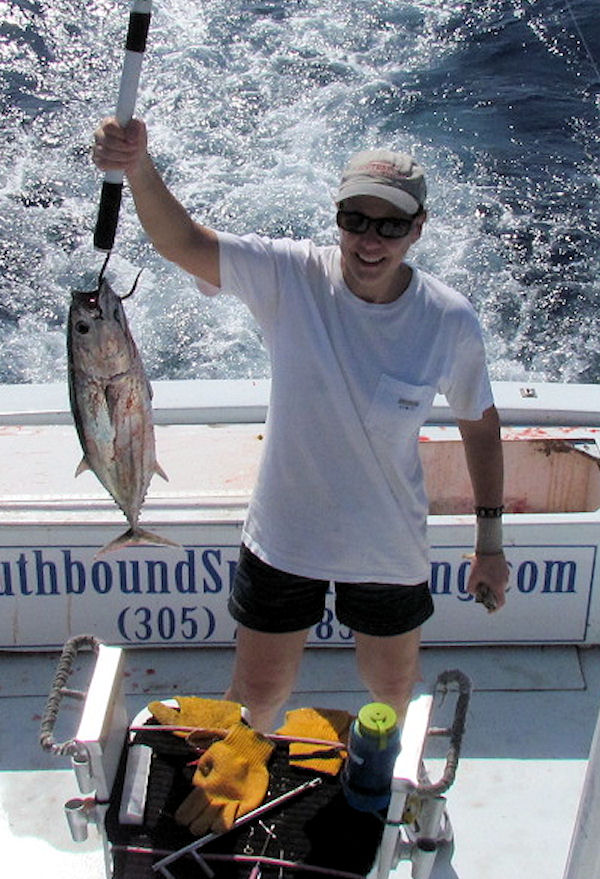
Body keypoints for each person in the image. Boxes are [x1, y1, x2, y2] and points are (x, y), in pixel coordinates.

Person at [93, 120, 510, 732]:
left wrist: (490, 544)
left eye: (391, 225)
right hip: (286, 532)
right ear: (336, 218)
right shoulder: (289, 276)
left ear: (418, 228)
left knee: (390, 693)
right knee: (257, 695)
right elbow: (182, 241)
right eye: (355, 220)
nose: (370, 240)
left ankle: (372, 779)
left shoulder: (448, 319)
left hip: (388, 540)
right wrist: (137, 166)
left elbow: (480, 425)